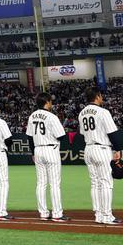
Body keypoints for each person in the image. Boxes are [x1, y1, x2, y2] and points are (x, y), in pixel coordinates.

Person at [79, 88, 123, 225]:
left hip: (88, 149)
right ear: (97, 97)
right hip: (102, 148)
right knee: (106, 183)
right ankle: (107, 215)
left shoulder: (81, 113)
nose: (102, 97)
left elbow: (82, 134)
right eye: (101, 95)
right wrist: (118, 149)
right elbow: (112, 133)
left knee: (95, 183)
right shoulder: (103, 112)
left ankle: (98, 215)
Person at [26, 93, 68, 222]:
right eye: (50, 101)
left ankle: (43, 213)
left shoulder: (32, 116)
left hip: (38, 150)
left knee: (41, 183)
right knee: (54, 183)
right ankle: (57, 213)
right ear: (47, 102)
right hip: (51, 149)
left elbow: (29, 137)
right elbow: (62, 137)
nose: (51, 104)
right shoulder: (52, 117)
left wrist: (33, 152)